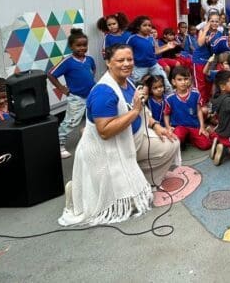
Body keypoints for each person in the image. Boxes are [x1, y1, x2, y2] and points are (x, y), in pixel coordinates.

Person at [59, 44, 178, 227]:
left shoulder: (127, 81)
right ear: (108, 62)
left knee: (171, 143)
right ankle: (78, 191)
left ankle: (142, 181)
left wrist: (156, 125)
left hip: (133, 141)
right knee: (133, 206)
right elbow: (105, 132)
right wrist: (135, 111)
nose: (126, 64)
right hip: (110, 152)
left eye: (129, 59)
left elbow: (142, 110)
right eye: (120, 60)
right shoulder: (104, 91)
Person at [47, 28, 96, 159]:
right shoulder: (67, 62)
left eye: (84, 45)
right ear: (71, 46)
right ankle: (59, 144)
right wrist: (62, 88)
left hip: (91, 95)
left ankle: (89, 140)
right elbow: (51, 74)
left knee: (93, 119)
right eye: (78, 45)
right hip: (76, 98)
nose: (82, 48)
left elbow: (93, 71)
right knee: (71, 121)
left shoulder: (90, 60)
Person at [165, 67, 211, 150]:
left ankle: (190, 138)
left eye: (186, 79)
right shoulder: (170, 98)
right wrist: (168, 127)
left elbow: (199, 110)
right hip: (179, 126)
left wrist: (202, 127)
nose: (183, 82)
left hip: (193, 125)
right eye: (179, 79)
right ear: (173, 82)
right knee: (176, 139)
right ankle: (184, 139)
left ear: (190, 80)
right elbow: (166, 114)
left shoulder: (195, 93)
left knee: (206, 145)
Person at [126, 16, 173, 92]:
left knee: (165, 81)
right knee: (135, 85)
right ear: (138, 27)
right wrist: (130, 66)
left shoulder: (151, 38)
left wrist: (167, 46)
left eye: (149, 25)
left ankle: (169, 98)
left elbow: (156, 51)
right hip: (139, 67)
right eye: (144, 25)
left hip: (153, 65)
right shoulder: (132, 39)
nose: (148, 27)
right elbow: (127, 53)